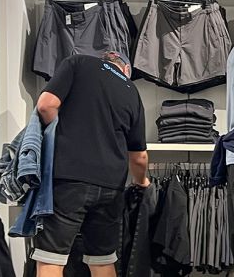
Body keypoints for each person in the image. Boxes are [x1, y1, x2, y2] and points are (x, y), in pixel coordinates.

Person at [32, 51, 148, 277]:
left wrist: (60, 134)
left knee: (51, 258)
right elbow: (138, 156)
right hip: (111, 185)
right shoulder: (131, 90)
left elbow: (46, 105)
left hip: (70, 178)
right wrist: (142, 182)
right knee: (102, 260)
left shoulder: (79, 62)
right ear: (126, 70)